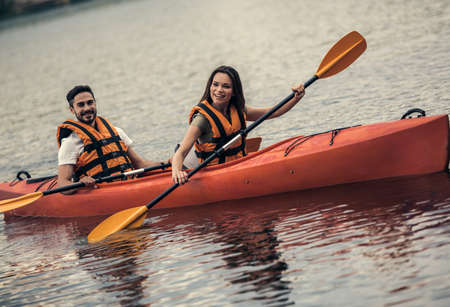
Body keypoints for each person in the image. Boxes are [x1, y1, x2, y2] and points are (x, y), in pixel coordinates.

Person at [171, 65, 305, 185]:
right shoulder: (202, 119)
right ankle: (166, 165)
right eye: (215, 84)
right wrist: (177, 171)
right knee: (172, 162)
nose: (219, 90)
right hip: (215, 172)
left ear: (234, 91)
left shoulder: (239, 110)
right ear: (210, 86)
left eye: (226, 86)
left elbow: (272, 112)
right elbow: (182, 152)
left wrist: (296, 98)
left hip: (239, 163)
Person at [57, 85, 164, 194]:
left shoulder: (117, 132)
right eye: (81, 105)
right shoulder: (70, 143)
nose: (87, 108)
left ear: (95, 103)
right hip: (102, 192)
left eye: (90, 102)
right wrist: (79, 184)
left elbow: (140, 164)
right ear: (72, 109)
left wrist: (167, 163)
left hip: (131, 184)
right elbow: (62, 184)